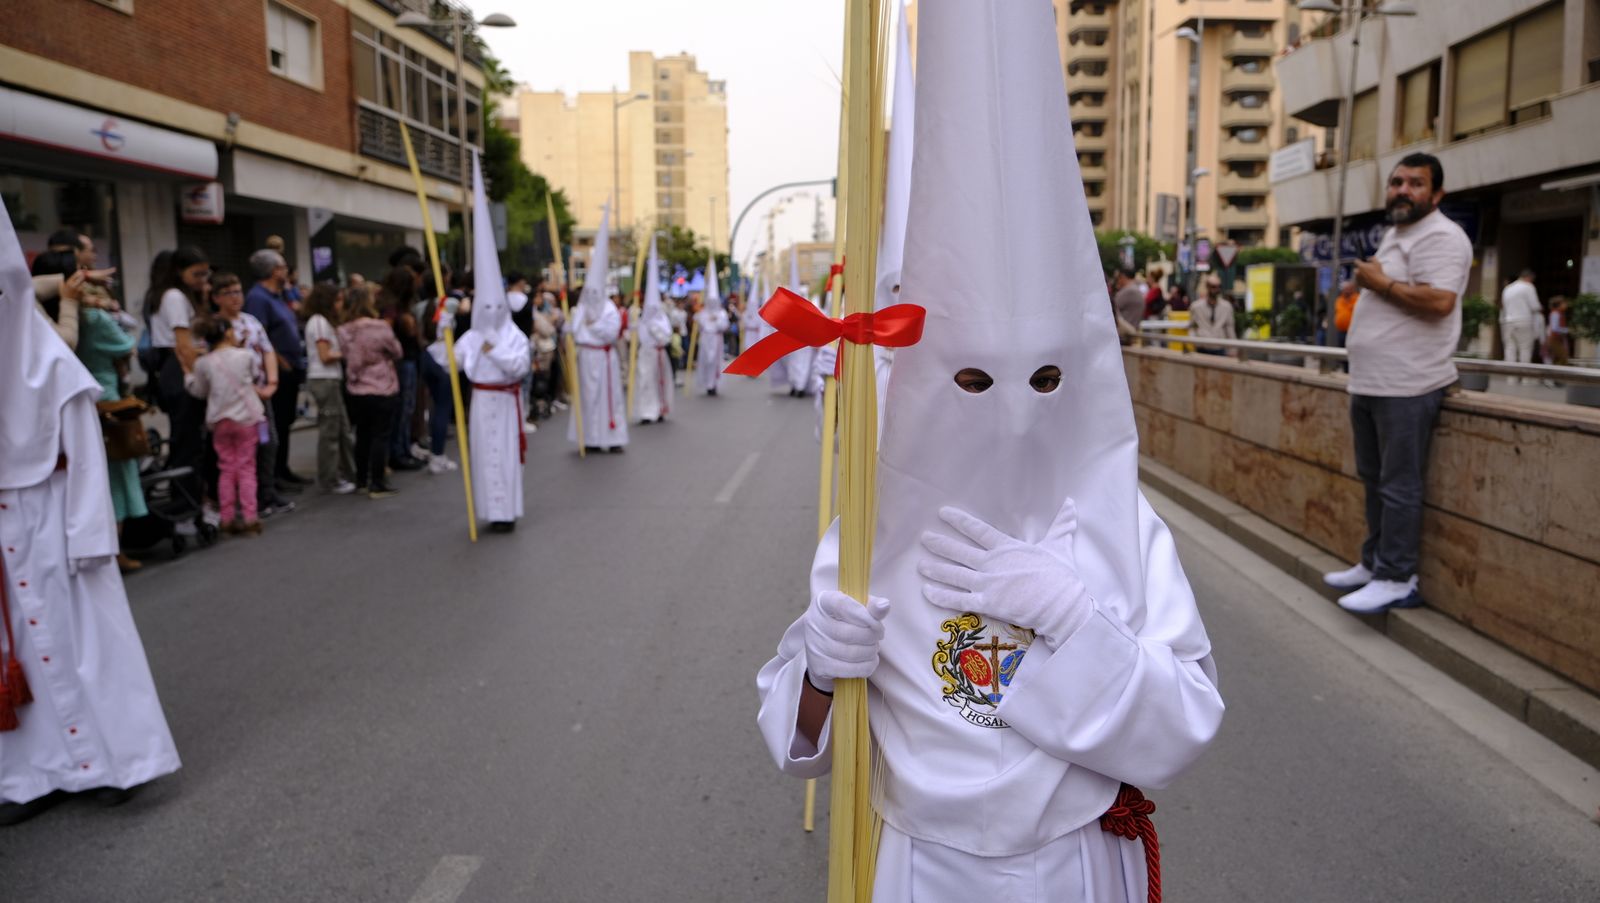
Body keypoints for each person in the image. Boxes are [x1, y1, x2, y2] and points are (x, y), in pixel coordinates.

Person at [756, 5, 1222, 897]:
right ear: (928, 387)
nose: (1012, 412)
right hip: (922, 868)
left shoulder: (1122, 521)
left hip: (1077, 864)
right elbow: (804, 743)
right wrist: (819, 667)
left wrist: (1080, 623)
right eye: (973, 382)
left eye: (1046, 379)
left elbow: (1184, 724)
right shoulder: (875, 522)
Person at [0, 198, 180, 827]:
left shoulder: (50, 366)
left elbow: (82, 458)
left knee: (83, 646)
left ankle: (113, 763)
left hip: (57, 520)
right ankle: (34, 772)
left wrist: (87, 540)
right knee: (17, 648)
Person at [1323, 152, 1472, 613]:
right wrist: (1365, 286)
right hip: (1371, 382)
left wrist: (1380, 283)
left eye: (1415, 183)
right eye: (1396, 182)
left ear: (1436, 194)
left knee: (1399, 485)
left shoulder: (1444, 237)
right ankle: (1373, 562)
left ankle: (1397, 575)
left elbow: (1441, 301)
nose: (1402, 190)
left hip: (1409, 385)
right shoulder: (1396, 233)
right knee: (1374, 479)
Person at [31, 251, 147, 572]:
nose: (86, 277)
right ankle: (109, 549)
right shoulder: (80, 316)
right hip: (97, 402)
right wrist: (75, 301)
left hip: (64, 408)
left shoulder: (33, 309)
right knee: (105, 478)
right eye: (79, 272)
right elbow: (72, 344)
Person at [455, 160, 532, 532]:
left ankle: (507, 512)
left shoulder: (514, 335)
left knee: (504, 457)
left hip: (504, 401)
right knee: (484, 457)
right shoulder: (472, 334)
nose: (488, 311)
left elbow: (518, 366)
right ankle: (489, 510)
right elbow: (451, 362)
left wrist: (494, 351)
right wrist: (443, 331)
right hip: (480, 401)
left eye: (493, 306)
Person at [211, 271, 296, 519]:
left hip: (260, 393)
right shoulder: (216, 326)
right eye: (228, 293)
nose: (235, 298)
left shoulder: (251, 321)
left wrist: (271, 382)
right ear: (216, 297)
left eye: (238, 292)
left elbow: (267, 351)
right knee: (242, 452)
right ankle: (245, 500)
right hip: (236, 397)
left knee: (270, 442)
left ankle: (266, 492)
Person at [184, 316, 266, 535]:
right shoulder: (245, 356)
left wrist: (187, 377)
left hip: (220, 420)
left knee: (226, 468)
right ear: (229, 333)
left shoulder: (204, 363)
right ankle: (250, 516)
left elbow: (199, 391)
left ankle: (227, 517)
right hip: (246, 418)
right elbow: (256, 376)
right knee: (247, 468)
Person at [145, 246, 211, 509]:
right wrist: (197, 377)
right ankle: (185, 504)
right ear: (179, 271)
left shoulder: (168, 296)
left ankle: (187, 501)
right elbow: (183, 345)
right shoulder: (174, 297)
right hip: (180, 369)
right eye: (197, 274)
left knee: (187, 440)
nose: (202, 280)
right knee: (188, 442)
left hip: (173, 368)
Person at [243, 249, 310, 489]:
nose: (286, 272)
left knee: (285, 421)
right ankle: (272, 475)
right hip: (277, 370)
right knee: (277, 423)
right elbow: (257, 337)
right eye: (282, 268)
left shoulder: (278, 296)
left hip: (290, 368)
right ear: (273, 271)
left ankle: (283, 468)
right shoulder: (258, 299)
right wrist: (279, 362)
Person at [567, 209, 629, 453]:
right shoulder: (581, 308)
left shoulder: (610, 308)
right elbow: (573, 330)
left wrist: (592, 328)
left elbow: (610, 332)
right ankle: (590, 438)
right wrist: (589, 327)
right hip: (586, 358)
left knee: (608, 397)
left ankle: (613, 438)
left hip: (605, 358)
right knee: (587, 398)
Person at [339, 287, 404, 499]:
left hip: (356, 387)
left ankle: (361, 479)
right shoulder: (380, 327)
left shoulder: (344, 330)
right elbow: (397, 351)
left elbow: (345, 355)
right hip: (382, 385)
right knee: (380, 435)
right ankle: (377, 482)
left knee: (362, 434)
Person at [300, 283, 357, 494]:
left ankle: (345, 472)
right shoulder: (320, 322)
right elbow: (325, 356)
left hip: (328, 379)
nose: (340, 305)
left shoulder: (319, 322)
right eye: (338, 300)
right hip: (324, 378)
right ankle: (330, 478)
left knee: (340, 428)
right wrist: (347, 351)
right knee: (331, 431)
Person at [378, 266, 427, 472]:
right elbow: (386, 334)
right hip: (402, 360)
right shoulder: (392, 307)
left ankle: (403, 449)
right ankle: (398, 452)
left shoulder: (401, 306)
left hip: (408, 359)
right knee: (403, 408)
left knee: (408, 407)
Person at [632, 235, 673, 424]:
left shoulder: (662, 319)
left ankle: (660, 410)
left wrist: (655, 330)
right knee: (645, 382)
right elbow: (633, 335)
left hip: (659, 354)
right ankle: (646, 412)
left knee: (660, 383)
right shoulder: (640, 318)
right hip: (645, 353)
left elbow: (666, 337)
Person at [1498, 269, 1542, 381]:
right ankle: (1525, 378)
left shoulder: (1508, 288)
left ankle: (1511, 378)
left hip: (1508, 321)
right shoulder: (1528, 287)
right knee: (1525, 349)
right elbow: (1535, 306)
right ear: (1529, 278)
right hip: (1524, 320)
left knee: (1510, 349)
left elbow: (1504, 306)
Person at [693, 266, 730, 396]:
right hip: (705, 340)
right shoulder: (702, 313)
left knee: (715, 361)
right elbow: (699, 323)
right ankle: (706, 383)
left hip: (716, 340)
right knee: (705, 361)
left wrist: (716, 321)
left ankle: (713, 384)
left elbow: (724, 326)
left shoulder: (721, 313)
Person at [1188, 275, 1235, 354]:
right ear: (1207, 287)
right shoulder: (1196, 306)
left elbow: (1230, 328)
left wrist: (1233, 350)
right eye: (1213, 287)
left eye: (1219, 286)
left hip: (1220, 348)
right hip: (1202, 348)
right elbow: (1191, 326)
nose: (1217, 289)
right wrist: (1194, 341)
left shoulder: (1226, 306)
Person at [1544, 296, 1570, 369]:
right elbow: (1555, 328)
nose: (1566, 305)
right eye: (1564, 303)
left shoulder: (1560, 314)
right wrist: (1567, 330)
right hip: (1554, 339)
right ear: (1559, 305)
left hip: (1557, 338)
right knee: (1563, 356)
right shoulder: (1555, 313)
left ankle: (1557, 376)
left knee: (1559, 357)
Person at [1333, 278, 1360, 347]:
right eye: (1344, 289)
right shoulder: (1339, 299)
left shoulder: (1357, 298)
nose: (1345, 291)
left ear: (1352, 289)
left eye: (1347, 289)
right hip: (1341, 331)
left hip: (1353, 332)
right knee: (1340, 350)